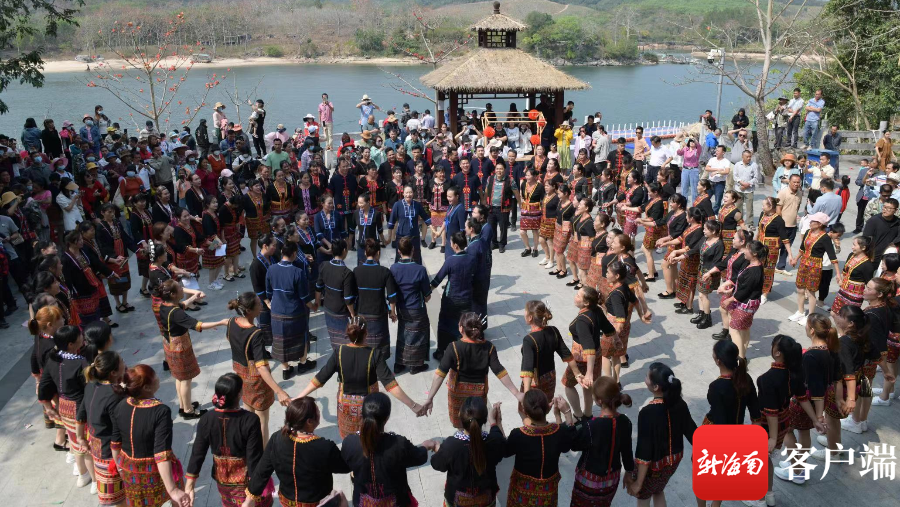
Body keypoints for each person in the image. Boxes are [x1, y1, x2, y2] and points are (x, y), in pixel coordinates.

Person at [244, 397, 351, 507]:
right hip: (318, 503)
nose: (319, 413)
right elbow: (345, 467)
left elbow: (262, 471)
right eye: (318, 412)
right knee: (341, 499)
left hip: (287, 501)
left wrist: (249, 500)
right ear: (309, 421)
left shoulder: (277, 438)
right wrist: (350, 442)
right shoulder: (324, 447)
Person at [423, 312, 524, 427]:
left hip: (457, 393)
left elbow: (439, 375)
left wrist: (430, 398)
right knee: (476, 423)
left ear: (461, 328)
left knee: (461, 424)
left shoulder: (453, 347)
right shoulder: (489, 347)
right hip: (479, 395)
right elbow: (499, 371)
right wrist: (516, 393)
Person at [185, 373, 269, 507]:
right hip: (246, 481)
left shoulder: (207, 419)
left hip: (222, 479)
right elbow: (254, 456)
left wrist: (189, 485)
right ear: (240, 394)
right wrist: (252, 494)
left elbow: (197, 452)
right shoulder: (250, 420)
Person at [112, 364, 189, 507]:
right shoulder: (160, 411)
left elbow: (115, 443)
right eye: (155, 377)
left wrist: (119, 467)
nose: (158, 378)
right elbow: (161, 453)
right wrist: (172, 490)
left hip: (129, 470)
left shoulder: (121, 405)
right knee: (178, 498)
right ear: (147, 387)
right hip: (152, 471)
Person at [340, 392, 433, 505]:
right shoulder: (398, 444)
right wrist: (426, 446)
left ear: (362, 414)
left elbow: (344, 465)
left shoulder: (350, 443)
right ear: (387, 419)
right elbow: (419, 457)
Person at [747, 335, 807, 507]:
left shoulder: (768, 378)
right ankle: (769, 493)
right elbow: (802, 398)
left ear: (778, 353)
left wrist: (772, 438)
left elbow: (771, 412)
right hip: (784, 421)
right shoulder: (794, 373)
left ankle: (759, 499)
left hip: (768, 426)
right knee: (766, 460)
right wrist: (816, 418)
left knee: (760, 460)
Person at [774, 314, 834, 484]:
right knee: (804, 431)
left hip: (804, 401)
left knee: (787, 430)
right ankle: (799, 465)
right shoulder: (830, 350)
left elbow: (815, 387)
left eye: (807, 325)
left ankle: (797, 470)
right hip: (818, 401)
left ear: (812, 330)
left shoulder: (811, 356)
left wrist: (819, 416)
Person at [225, 293, 291, 443]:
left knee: (248, 416)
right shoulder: (255, 333)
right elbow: (261, 367)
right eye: (258, 304)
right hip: (256, 382)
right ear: (250, 311)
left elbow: (227, 335)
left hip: (240, 376)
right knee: (261, 421)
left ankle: (249, 446)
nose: (261, 305)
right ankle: (262, 452)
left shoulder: (232, 322)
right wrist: (279, 391)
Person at [627, 363, 696, 505]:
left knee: (644, 497)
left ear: (656, 387)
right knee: (658, 490)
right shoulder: (680, 404)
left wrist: (638, 483)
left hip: (654, 467)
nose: (645, 379)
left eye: (647, 377)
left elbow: (644, 452)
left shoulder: (647, 413)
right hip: (673, 462)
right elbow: (693, 432)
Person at [158, 279, 228, 418]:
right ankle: (188, 411)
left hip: (169, 344)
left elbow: (182, 305)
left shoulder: (165, 306)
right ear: (173, 294)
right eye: (179, 288)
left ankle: (183, 405)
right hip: (180, 348)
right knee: (186, 379)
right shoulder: (176, 313)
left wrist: (194, 297)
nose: (182, 289)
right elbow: (198, 325)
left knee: (179, 378)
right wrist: (221, 322)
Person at [38, 326, 92, 487]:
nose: (82, 337)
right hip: (81, 408)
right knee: (86, 446)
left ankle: (82, 475)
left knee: (75, 442)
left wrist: (48, 407)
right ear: (71, 344)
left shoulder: (53, 360)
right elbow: (89, 389)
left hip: (64, 407)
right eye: (80, 336)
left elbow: (44, 385)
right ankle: (95, 480)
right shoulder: (80, 362)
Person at [503, 390, 575, 507]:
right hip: (547, 495)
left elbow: (505, 451)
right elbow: (567, 442)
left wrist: (498, 424)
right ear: (547, 408)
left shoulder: (518, 434)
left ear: (525, 411)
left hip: (521, 496)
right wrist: (565, 414)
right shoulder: (559, 432)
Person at [431, 397, 506, 506]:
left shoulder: (451, 445)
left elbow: (437, 464)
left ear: (459, 416)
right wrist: (495, 422)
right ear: (485, 420)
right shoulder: (493, 441)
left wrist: (437, 448)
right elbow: (503, 445)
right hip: (487, 501)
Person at [571, 377, 635, 507]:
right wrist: (629, 472)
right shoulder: (625, 422)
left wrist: (567, 415)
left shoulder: (591, 426)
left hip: (589, 481)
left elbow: (573, 444)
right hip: (612, 480)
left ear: (599, 401)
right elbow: (627, 452)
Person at [77, 350, 126, 505]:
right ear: (113, 373)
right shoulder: (115, 395)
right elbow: (117, 431)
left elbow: (81, 413)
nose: (124, 363)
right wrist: (118, 463)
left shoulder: (91, 385)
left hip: (96, 446)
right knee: (120, 497)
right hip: (111, 452)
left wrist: (80, 437)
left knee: (115, 495)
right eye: (121, 361)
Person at [267, 241, 317, 380]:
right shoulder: (298, 272)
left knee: (280, 340)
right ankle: (303, 363)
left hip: (277, 311)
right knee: (302, 337)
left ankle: (286, 369)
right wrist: (314, 306)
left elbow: (268, 292)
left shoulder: (271, 269)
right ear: (294, 254)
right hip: (294, 312)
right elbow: (304, 297)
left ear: (281, 252)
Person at [788, 212, 839, 326]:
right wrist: (796, 259)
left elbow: (832, 257)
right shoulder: (808, 232)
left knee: (811, 292)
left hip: (815, 266)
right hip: (803, 263)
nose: (810, 222)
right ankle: (800, 312)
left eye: (813, 221)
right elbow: (802, 249)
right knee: (800, 289)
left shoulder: (825, 238)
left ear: (820, 224)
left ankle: (810, 317)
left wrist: (838, 274)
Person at [431, 232, 477, 357]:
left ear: (455, 245)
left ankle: (442, 351)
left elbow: (437, 279)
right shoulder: (472, 259)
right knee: (465, 325)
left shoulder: (451, 260)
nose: (450, 244)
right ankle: (464, 352)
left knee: (444, 324)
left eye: (451, 242)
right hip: (467, 299)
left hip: (451, 299)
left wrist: (426, 292)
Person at [353, 239, 398, 357]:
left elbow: (352, 295)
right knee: (380, 344)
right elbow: (392, 296)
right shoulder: (384, 271)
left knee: (363, 340)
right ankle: (379, 363)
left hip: (362, 313)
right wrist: (392, 312)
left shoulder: (356, 271)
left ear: (365, 253)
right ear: (378, 253)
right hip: (379, 314)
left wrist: (353, 314)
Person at [603, 261, 643, 383]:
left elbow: (620, 320)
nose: (606, 274)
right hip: (625, 328)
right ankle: (616, 382)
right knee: (616, 355)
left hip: (614, 329)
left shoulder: (616, 295)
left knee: (605, 355)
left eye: (608, 272)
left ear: (617, 276)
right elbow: (635, 301)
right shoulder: (624, 285)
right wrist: (641, 315)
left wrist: (615, 337)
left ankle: (609, 384)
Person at [316, 238, 359, 350]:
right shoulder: (347, 273)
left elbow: (318, 287)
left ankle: (336, 356)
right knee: (345, 340)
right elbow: (348, 299)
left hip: (328, 309)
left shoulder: (324, 265)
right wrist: (353, 315)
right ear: (344, 250)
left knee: (333, 337)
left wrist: (317, 303)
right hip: (341, 313)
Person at [95, 203, 135, 312]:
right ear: (102, 213)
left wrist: (134, 248)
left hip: (122, 253)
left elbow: (125, 236)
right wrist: (114, 257)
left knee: (125, 278)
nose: (112, 214)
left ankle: (125, 301)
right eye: (109, 212)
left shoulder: (117, 222)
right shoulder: (100, 227)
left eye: (113, 211)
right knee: (115, 281)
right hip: (112, 258)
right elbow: (103, 246)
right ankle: (118, 303)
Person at [668, 208, 705, 315]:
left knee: (690, 283)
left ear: (692, 218)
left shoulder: (698, 230)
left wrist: (676, 252)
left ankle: (689, 307)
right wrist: (666, 242)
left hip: (692, 260)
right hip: (686, 259)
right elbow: (681, 238)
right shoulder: (690, 226)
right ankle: (684, 302)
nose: (685, 217)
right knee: (683, 280)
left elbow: (689, 248)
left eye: (687, 215)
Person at [756, 197, 790, 304]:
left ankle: (765, 293)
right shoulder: (762, 215)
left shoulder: (778, 220)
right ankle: (757, 289)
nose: (762, 207)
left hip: (771, 250)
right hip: (760, 247)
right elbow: (759, 230)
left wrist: (790, 254)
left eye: (764, 205)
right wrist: (754, 243)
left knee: (768, 271)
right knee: (757, 268)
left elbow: (785, 238)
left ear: (770, 206)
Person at [831, 236, 875, 314]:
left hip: (855, 295)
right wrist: (841, 280)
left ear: (863, 248)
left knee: (847, 316)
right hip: (843, 290)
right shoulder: (851, 255)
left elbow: (869, 283)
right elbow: (845, 271)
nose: (852, 247)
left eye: (854, 245)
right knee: (834, 313)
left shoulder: (867, 265)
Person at [694, 221, 726, 330]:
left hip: (710, 273)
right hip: (701, 271)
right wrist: (683, 255)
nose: (703, 231)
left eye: (705, 229)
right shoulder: (705, 239)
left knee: (704, 295)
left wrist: (709, 273)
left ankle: (707, 318)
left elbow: (717, 262)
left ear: (713, 231)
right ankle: (701, 313)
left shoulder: (719, 244)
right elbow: (695, 249)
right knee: (700, 294)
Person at [388, 186, 431, 264]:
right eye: (407, 192)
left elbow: (426, 217)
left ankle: (417, 271)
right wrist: (389, 238)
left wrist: (434, 230)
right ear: (403, 193)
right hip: (401, 237)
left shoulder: (417, 205)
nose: (408, 194)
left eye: (410, 192)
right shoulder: (397, 205)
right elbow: (391, 222)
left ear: (413, 193)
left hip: (414, 236)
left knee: (416, 256)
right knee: (399, 256)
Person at [636, 183, 667, 281]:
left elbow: (652, 219)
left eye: (649, 192)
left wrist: (641, 221)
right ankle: (653, 271)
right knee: (645, 249)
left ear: (656, 192)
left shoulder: (659, 203)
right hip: (650, 229)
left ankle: (651, 275)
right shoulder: (654, 200)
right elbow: (642, 209)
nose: (648, 193)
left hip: (653, 230)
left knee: (647, 251)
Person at [776, 174, 803, 273]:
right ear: (789, 182)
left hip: (793, 225)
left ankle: (780, 267)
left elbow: (797, 207)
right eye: (794, 182)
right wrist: (780, 224)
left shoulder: (800, 193)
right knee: (776, 246)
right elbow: (778, 209)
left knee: (786, 248)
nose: (796, 184)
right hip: (782, 226)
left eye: (798, 182)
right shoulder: (783, 193)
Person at [550, 184, 576, 278]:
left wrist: (573, 233)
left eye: (559, 193)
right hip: (557, 227)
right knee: (555, 248)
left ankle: (564, 270)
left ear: (565, 194)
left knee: (560, 250)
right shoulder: (560, 202)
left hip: (565, 230)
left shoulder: (571, 206)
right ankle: (558, 267)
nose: (558, 195)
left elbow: (574, 220)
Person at [518, 168, 544, 257]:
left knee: (535, 230)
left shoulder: (540, 186)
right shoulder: (523, 184)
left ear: (534, 176)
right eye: (526, 175)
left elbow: (543, 199)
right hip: (525, 210)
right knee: (522, 231)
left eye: (529, 175)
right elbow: (522, 196)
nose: (527, 177)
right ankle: (527, 247)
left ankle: (535, 248)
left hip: (535, 211)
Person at [616, 170, 645, 239]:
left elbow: (633, 202)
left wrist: (622, 204)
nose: (627, 179)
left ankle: (629, 245)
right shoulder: (630, 188)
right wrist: (611, 202)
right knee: (627, 233)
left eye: (629, 177)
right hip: (627, 213)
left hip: (633, 215)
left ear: (635, 180)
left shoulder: (639, 190)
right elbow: (622, 196)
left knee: (629, 235)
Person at [703, 145, 731, 213]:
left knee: (718, 201)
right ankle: (705, 212)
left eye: (718, 151)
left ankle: (714, 214)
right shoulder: (712, 159)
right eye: (716, 150)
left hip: (720, 183)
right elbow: (707, 168)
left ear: (723, 152)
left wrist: (717, 172)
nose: (716, 152)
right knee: (705, 199)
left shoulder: (726, 161)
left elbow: (727, 171)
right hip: (710, 183)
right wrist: (717, 169)